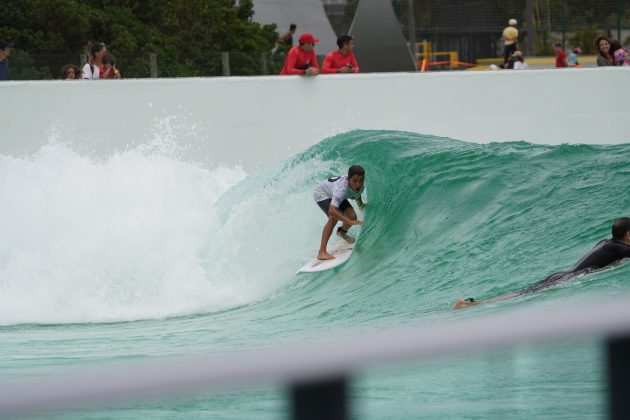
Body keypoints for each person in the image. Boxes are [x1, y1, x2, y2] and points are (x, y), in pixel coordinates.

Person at [453, 217, 630, 309]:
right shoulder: (619, 249)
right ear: (628, 234)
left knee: (522, 293)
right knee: (521, 295)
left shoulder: (606, 243)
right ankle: (471, 303)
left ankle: (471, 302)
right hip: (567, 278)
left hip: (561, 274)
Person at [313, 165, 366, 260]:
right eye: (355, 181)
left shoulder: (360, 187)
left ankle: (341, 232)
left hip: (334, 193)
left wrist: (361, 206)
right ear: (349, 179)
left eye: (361, 180)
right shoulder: (342, 189)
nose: (358, 184)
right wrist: (349, 222)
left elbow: (357, 195)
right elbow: (332, 211)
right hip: (322, 193)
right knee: (333, 217)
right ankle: (321, 252)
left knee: (352, 216)